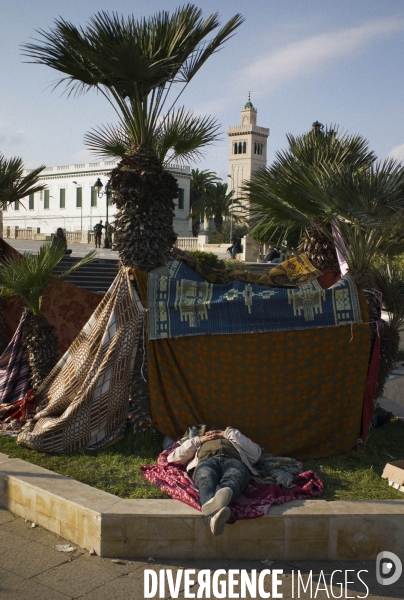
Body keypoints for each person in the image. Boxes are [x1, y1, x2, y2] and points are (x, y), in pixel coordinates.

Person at [167, 426, 261, 536]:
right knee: (206, 479)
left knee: (234, 477)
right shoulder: (199, 443)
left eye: (218, 432)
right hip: (207, 461)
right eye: (210, 433)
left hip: (233, 461)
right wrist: (199, 440)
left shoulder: (233, 439)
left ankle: (213, 515)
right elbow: (173, 458)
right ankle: (219, 505)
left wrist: (228, 434)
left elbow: (256, 454)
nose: (214, 434)